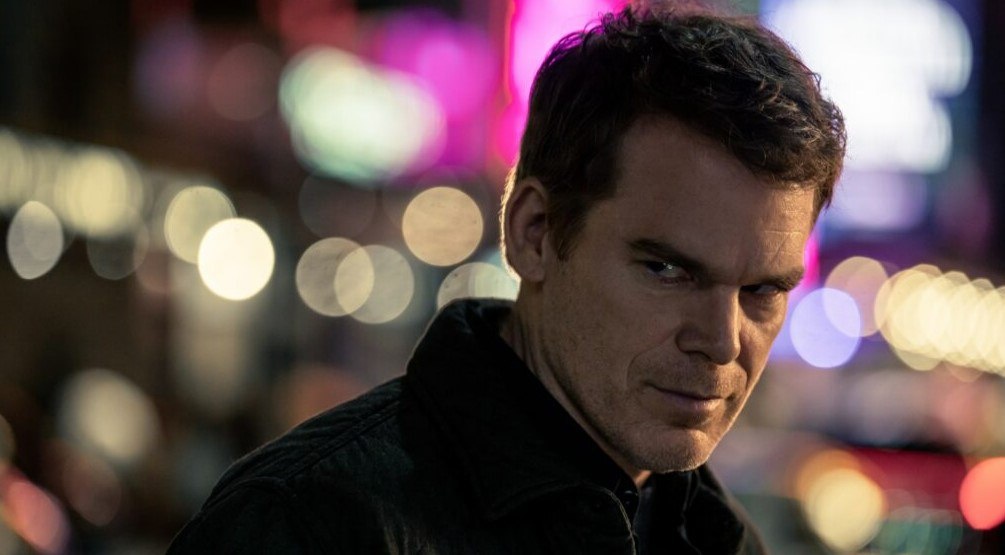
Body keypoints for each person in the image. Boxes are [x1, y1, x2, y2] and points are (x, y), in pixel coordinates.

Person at [168, 3, 845, 553]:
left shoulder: (720, 539)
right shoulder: (310, 524)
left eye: (762, 290)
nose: (722, 341)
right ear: (534, 232)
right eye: (667, 270)